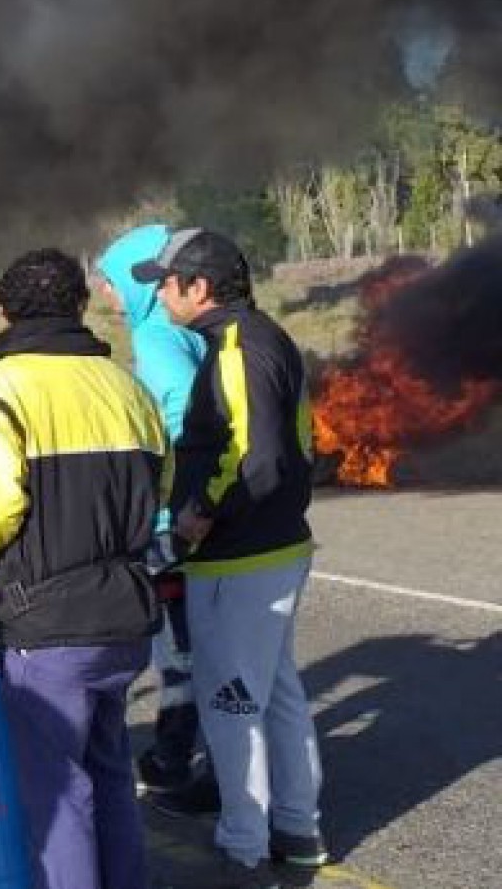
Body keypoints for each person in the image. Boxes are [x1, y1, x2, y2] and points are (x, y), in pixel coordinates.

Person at [0, 248, 167, 889]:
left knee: (57, 795)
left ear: (3, 312)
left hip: (47, 627)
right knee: (112, 774)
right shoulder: (128, 388)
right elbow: (159, 489)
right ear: (80, 307)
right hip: (125, 618)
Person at [134, 229, 327, 883]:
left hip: (241, 558)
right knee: (276, 694)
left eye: (166, 281)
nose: (158, 292)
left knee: (231, 702)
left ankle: (243, 846)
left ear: (199, 287)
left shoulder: (238, 350)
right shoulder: (253, 337)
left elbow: (253, 455)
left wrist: (197, 517)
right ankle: (299, 831)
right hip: (274, 547)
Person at [97, 225, 216, 809]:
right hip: (193, 507)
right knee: (195, 641)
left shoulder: (157, 335)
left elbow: (184, 412)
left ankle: (174, 755)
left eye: (113, 286)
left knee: (179, 646)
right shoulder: (184, 327)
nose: (109, 299)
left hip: (173, 516)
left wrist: (158, 484)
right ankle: (184, 753)